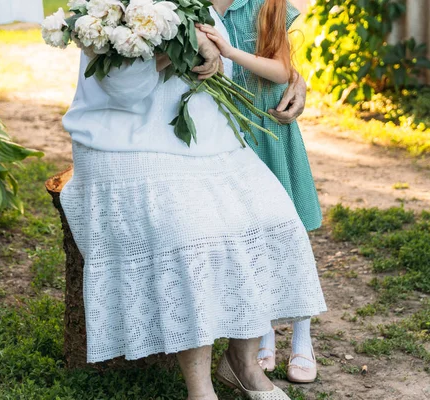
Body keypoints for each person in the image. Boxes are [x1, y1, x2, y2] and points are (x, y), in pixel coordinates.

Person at [59, 7, 326, 400]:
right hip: (124, 141)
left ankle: (244, 364)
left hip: (204, 138)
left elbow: (237, 50)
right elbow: (123, 91)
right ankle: (200, 391)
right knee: (191, 233)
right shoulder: (107, 15)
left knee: (271, 216)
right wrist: (179, 42)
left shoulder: (191, 8)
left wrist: (294, 77)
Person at [198, 0, 322, 383]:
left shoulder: (267, 6)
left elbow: (284, 68)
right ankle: (262, 334)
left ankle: (303, 337)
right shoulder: (197, 9)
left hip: (269, 127)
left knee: (288, 228)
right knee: (249, 234)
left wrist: (232, 52)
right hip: (230, 131)